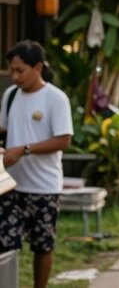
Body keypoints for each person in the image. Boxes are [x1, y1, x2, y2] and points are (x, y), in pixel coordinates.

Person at [0, 41, 73, 288]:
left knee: (42, 245)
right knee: (5, 240)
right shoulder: (10, 96)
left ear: (38, 67)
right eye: (12, 70)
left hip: (44, 186)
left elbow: (64, 139)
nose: (15, 76)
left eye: (20, 70)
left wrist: (25, 149)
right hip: (10, 185)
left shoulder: (55, 98)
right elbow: (5, 129)